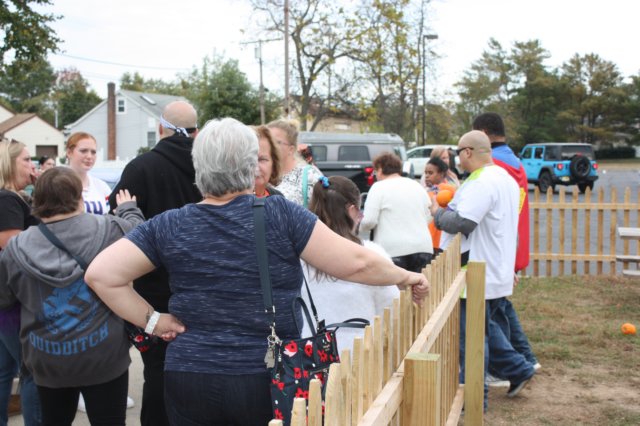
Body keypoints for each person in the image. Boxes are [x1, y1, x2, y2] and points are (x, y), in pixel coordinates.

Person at [85, 117, 430, 426]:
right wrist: (407, 276)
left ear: (198, 167)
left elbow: (101, 275)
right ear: (251, 166)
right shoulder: (280, 215)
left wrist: (153, 322)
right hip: (265, 375)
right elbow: (357, 262)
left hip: (189, 374)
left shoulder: (170, 224)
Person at [0, 167, 144, 425]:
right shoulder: (109, 228)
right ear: (79, 197)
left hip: (47, 359)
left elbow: (5, 298)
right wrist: (128, 209)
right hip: (104, 356)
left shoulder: (15, 248)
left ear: (37, 200)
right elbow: (141, 234)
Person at [107, 100, 202, 426]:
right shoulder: (208, 166)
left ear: (161, 128)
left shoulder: (140, 168)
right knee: (202, 369)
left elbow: (118, 226)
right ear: (196, 132)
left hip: (153, 293)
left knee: (158, 372)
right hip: (202, 286)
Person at [430, 130, 535, 409]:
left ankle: (476, 396)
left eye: (458, 153)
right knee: (485, 329)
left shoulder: (481, 182)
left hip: (475, 271)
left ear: (468, 152)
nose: (456, 159)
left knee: (472, 338)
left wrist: (437, 215)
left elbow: (463, 222)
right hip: (493, 267)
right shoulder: (505, 179)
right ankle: (518, 369)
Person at [472, 112, 540, 380]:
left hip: (496, 244)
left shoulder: (493, 165)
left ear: (483, 134)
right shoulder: (514, 162)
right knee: (500, 307)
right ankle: (524, 360)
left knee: (493, 312)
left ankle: (513, 366)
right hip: (510, 242)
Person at [302, 176, 400, 352]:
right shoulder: (372, 254)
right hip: (360, 352)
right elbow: (391, 307)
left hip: (310, 353)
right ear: (352, 210)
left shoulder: (301, 255)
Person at [0, 139, 41, 426]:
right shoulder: (7, 199)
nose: (32, 165)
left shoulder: (12, 197)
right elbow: (13, 247)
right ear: (8, 164)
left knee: (4, 370)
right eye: (26, 159)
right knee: (31, 371)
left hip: (6, 299)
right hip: (13, 300)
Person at [360, 152, 434, 273]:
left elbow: (369, 221)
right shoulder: (416, 185)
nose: (375, 175)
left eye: (375, 171)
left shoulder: (378, 187)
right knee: (420, 284)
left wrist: (358, 227)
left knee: (395, 286)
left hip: (392, 251)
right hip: (423, 247)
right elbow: (430, 214)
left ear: (380, 169)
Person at [267, 119, 323, 206]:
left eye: (276, 142)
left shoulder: (310, 176)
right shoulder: (262, 174)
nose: (269, 146)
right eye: (268, 141)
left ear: (291, 149)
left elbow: (324, 211)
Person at [65, 132, 111, 215]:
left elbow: (111, 216)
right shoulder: (56, 185)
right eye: (83, 151)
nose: (89, 156)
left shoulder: (101, 186)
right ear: (69, 153)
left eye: (93, 152)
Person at [423, 157, 450, 254]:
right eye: (426, 173)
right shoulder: (430, 189)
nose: (426, 176)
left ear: (441, 174)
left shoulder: (446, 189)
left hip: (438, 241)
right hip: (431, 239)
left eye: (430, 173)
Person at [253, 126, 283, 198]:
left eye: (262, 159)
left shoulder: (277, 198)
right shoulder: (229, 201)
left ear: (274, 164)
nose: (256, 167)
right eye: (249, 159)